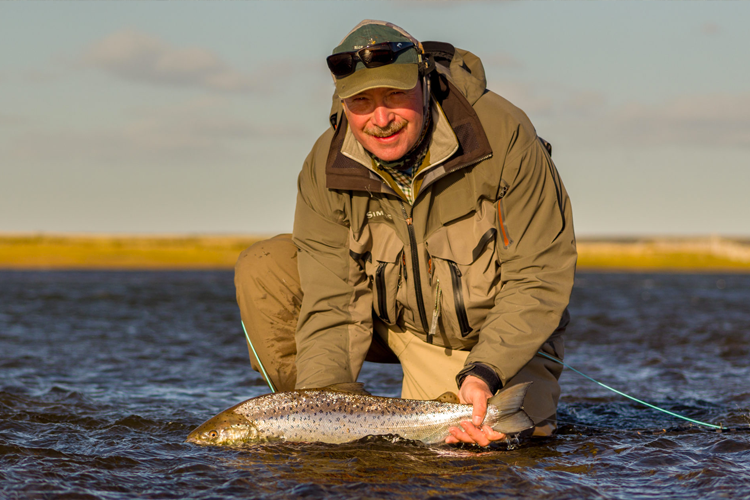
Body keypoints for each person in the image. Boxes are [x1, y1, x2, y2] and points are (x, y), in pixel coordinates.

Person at [235, 20, 576, 446]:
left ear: (425, 82)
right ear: (343, 103)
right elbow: (333, 306)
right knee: (265, 267)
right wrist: (320, 410)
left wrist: (486, 370)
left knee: (496, 447)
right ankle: (312, 417)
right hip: (395, 325)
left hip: (498, 339)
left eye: (395, 94)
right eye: (362, 102)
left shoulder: (504, 137)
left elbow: (538, 277)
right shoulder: (325, 165)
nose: (381, 118)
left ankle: (478, 394)